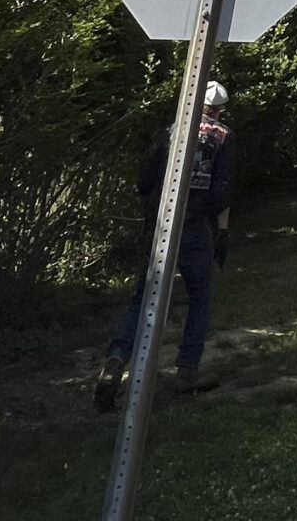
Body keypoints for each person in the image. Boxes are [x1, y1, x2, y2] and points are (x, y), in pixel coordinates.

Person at [95, 80, 235, 410]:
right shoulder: (225, 137)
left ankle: (115, 362)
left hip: (160, 225)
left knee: (142, 298)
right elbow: (223, 191)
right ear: (217, 109)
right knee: (200, 297)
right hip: (195, 227)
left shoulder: (172, 130)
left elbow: (143, 181)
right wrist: (222, 232)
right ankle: (187, 370)